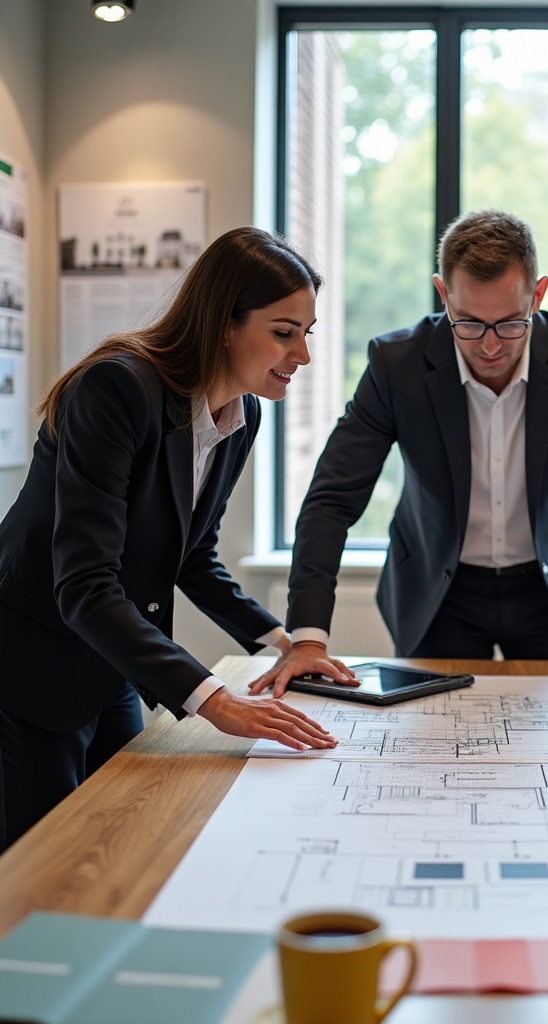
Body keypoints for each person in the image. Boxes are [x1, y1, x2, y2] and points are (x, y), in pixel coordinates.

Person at [251, 209, 548, 699]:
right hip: (437, 593)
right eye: (470, 324)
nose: (492, 345)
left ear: (537, 296)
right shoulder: (397, 364)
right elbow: (333, 499)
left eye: (511, 323)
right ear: (443, 295)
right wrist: (307, 638)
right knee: (433, 730)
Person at [0, 226, 338, 852]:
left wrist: (286, 644)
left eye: (306, 334)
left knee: (118, 837)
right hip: (30, 662)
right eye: (283, 333)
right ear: (223, 323)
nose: (302, 356)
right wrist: (216, 701)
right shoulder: (116, 388)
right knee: (38, 862)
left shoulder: (242, 413)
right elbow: (85, 584)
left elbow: (193, 555)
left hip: (109, 659)